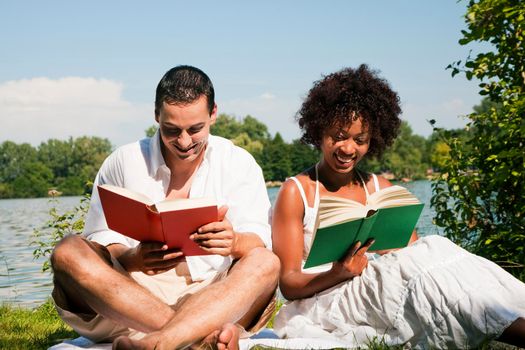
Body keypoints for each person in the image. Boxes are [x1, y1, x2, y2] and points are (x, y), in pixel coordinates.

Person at [271, 65, 525, 348]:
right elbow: (289, 284)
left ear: (373, 140)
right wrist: (339, 272)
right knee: (427, 268)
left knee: (436, 248)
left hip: (376, 288)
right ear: (319, 131)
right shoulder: (297, 191)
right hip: (327, 299)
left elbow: (418, 257)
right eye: (339, 135)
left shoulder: (381, 188)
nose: (348, 149)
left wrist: (394, 247)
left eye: (360, 140)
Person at [51, 65, 279, 350]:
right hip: (129, 298)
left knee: (266, 262)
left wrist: (233, 242)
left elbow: (259, 239)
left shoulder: (238, 162)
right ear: (156, 115)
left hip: (215, 295)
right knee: (68, 252)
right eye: (171, 130)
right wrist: (133, 258)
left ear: (214, 113)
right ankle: (198, 340)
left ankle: (160, 342)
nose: (184, 142)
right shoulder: (124, 160)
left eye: (195, 129)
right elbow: (99, 237)